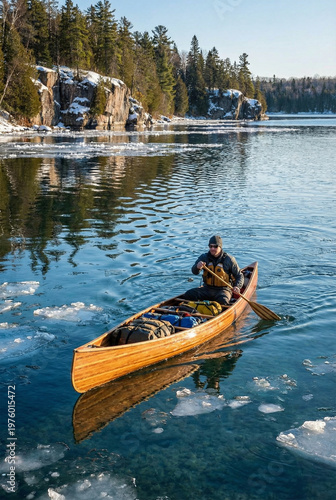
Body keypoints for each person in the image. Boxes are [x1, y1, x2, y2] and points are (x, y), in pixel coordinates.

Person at [183, 235, 244, 307]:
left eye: (215, 246)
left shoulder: (229, 259)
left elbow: (239, 275)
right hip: (207, 289)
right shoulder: (204, 257)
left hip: (223, 290)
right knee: (188, 295)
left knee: (223, 301)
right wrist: (197, 267)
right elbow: (194, 271)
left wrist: (237, 286)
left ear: (220, 247)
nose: (212, 249)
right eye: (210, 246)